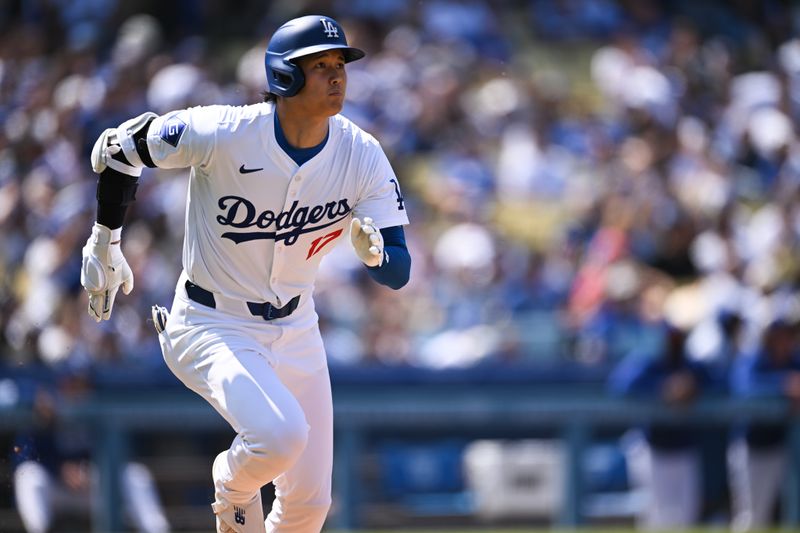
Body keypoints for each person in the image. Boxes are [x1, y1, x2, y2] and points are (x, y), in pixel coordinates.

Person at [79, 14, 411, 533]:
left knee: (310, 507)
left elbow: (399, 268)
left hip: (298, 326)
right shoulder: (226, 132)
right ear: (284, 77)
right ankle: (232, 484)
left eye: (340, 64)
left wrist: (376, 258)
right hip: (213, 322)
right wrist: (105, 238)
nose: (337, 75)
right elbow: (121, 148)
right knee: (278, 439)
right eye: (320, 65)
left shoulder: (360, 152)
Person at [13, 371, 170, 533]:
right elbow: (23, 455)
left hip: (96, 486)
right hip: (58, 487)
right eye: (70, 385)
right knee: (28, 475)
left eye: (81, 385)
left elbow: (124, 451)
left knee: (135, 475)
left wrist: (90, 469)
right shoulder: (47, 413)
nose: (76, 390)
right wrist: (58, 468)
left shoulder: (99, 409)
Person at [608, 318, 712, 530]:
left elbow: (721, 383)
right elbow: (619, 385)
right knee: (656, 517)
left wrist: (692, 387)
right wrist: (663, 387)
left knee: (687, 514)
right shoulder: (649, 360)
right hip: (653, 447)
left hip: (684, 447)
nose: (675, 340)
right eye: (671, 336)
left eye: (678, 335)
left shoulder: (691, 365)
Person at [727, 318, 800, 532]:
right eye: (780, 335)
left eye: (789, 335)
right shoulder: (753, 359)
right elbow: (743, 388)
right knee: (752, 516)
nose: (785, 341)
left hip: (782, 446)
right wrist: (783, 384)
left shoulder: (793, 360)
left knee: (785, 512)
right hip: (751, 446)